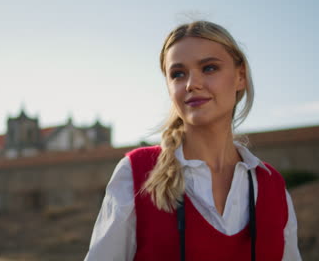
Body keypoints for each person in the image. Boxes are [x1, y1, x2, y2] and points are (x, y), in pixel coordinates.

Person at [85, 21, 302, 261]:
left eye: (209, 68)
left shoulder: (273, 187)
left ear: (240, 77)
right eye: (178, 74)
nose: (192, 84)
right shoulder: (137, 174)